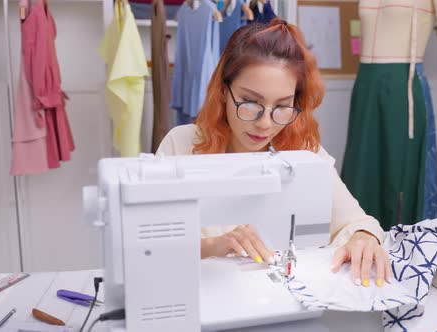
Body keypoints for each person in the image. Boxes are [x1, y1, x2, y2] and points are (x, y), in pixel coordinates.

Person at [157, 18, 391, 287]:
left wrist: (363, 237)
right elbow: (153, 248)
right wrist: (212, 246)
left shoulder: (303, 151)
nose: (265, 123)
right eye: (250, 102)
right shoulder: (181, 146)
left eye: (282, 106)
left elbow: (357, 221)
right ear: (223, 90)